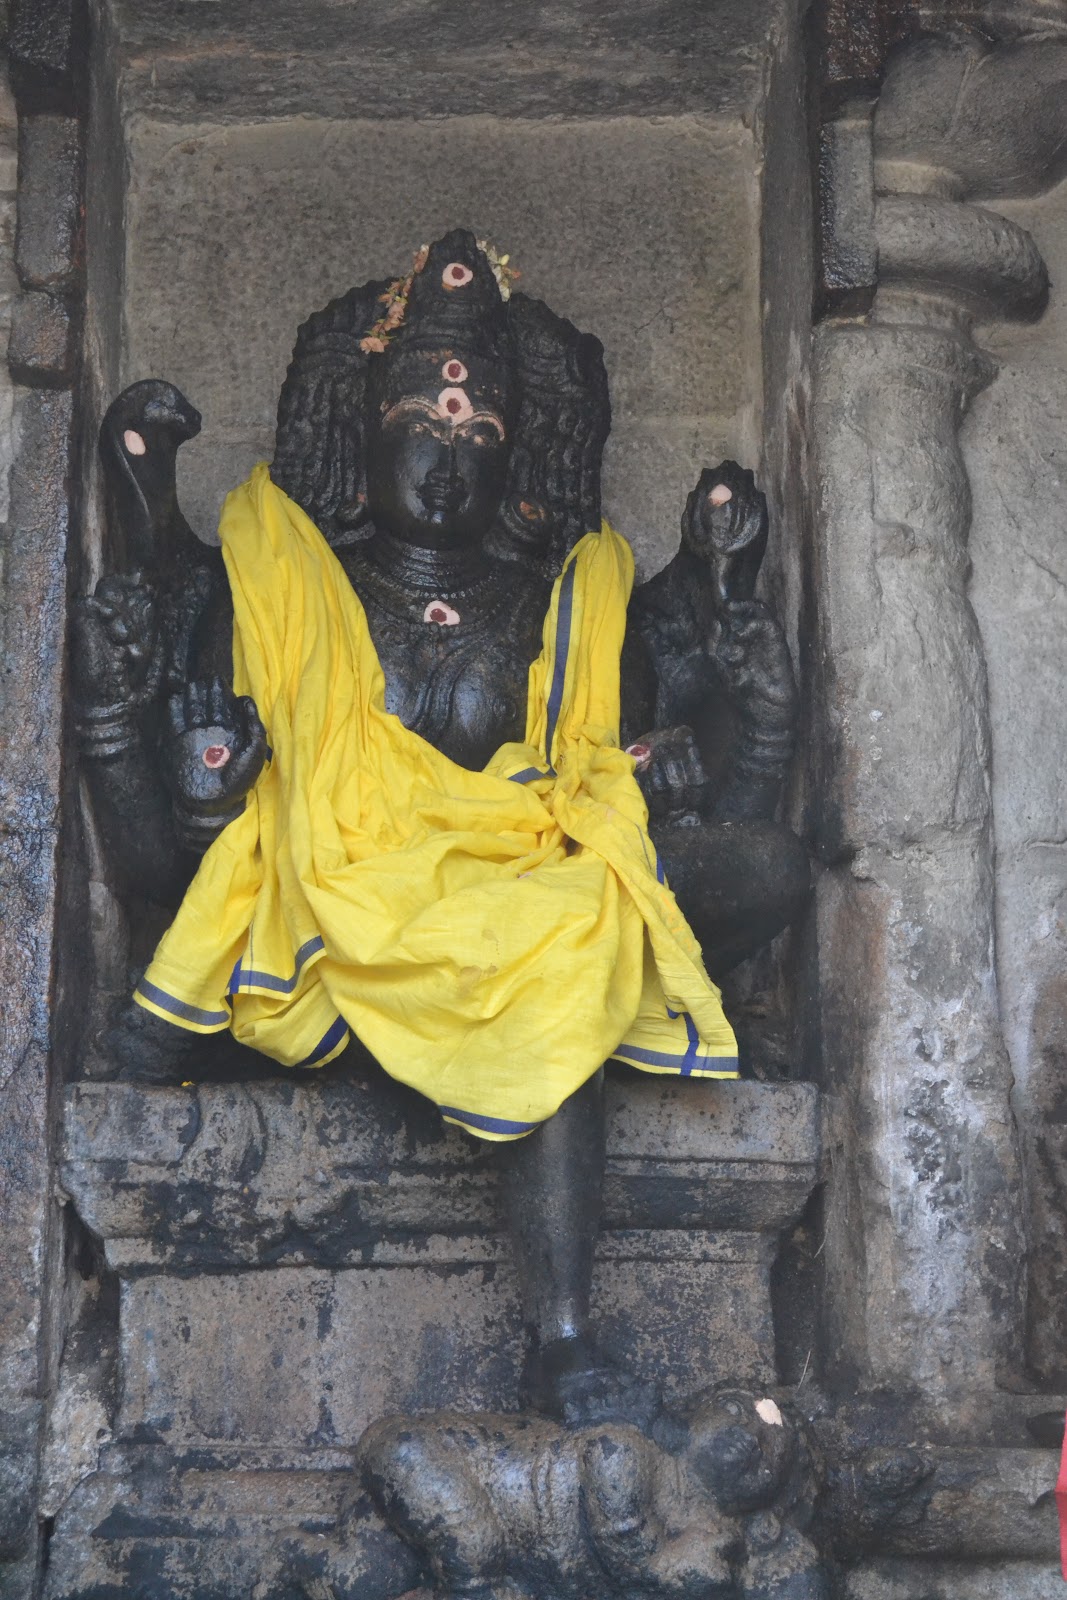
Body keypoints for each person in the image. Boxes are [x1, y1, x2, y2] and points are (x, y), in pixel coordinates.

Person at [74, 229, 809, 1421]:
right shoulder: (280, 577)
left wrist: (669, 734)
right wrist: (199, 779)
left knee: (723, 875)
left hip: (520, 878)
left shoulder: (567, 593)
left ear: (522, 454)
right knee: (550, 955)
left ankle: (562, 1318)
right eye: (423, 419)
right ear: (360, 428)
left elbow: (614, 780)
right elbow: (191, 847)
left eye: (478, 434)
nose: (448, 459)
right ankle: (566, 1340)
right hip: (346, 911)